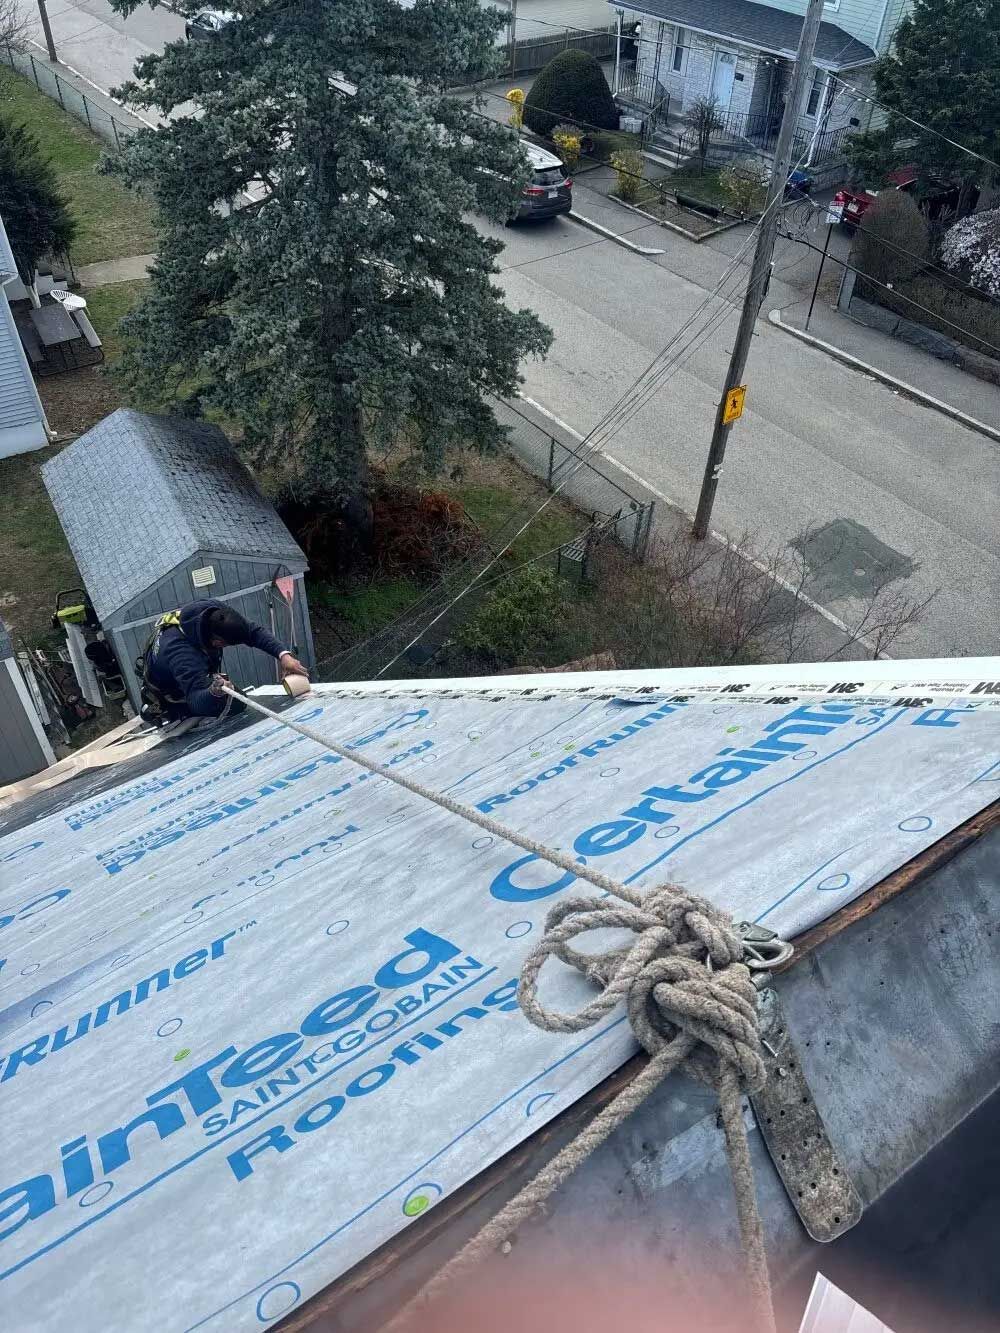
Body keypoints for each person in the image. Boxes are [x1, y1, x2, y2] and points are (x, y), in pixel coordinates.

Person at [139, 600, 308, 723]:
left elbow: (252, 632)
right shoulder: (182, 653)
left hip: (184, 667)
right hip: (172, 690)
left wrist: (284, 656)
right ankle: (164, 709)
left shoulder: (211, 611)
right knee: (236, 704)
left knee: (231, 698)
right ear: (217, 643)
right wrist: (214, 692)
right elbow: (195, 699)